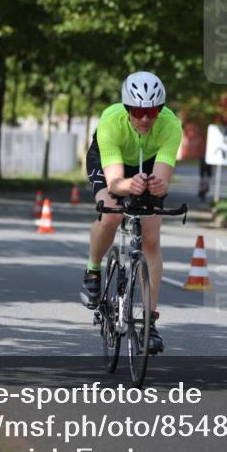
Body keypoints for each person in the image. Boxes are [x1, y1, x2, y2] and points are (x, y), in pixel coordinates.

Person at [81, 72, 183, 354]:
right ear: (128, 109)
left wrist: (156, 185)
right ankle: (92, 269)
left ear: (160, 110)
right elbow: (114, 183)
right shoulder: (110, 122)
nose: (146, 119)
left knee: (151, 238)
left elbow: (161, 178)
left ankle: (149, 323)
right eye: (139, 111)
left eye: (152, 111)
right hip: (110, 163)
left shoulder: (171, 126)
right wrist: (128, 185)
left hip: (147, 162)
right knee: (111, 213)